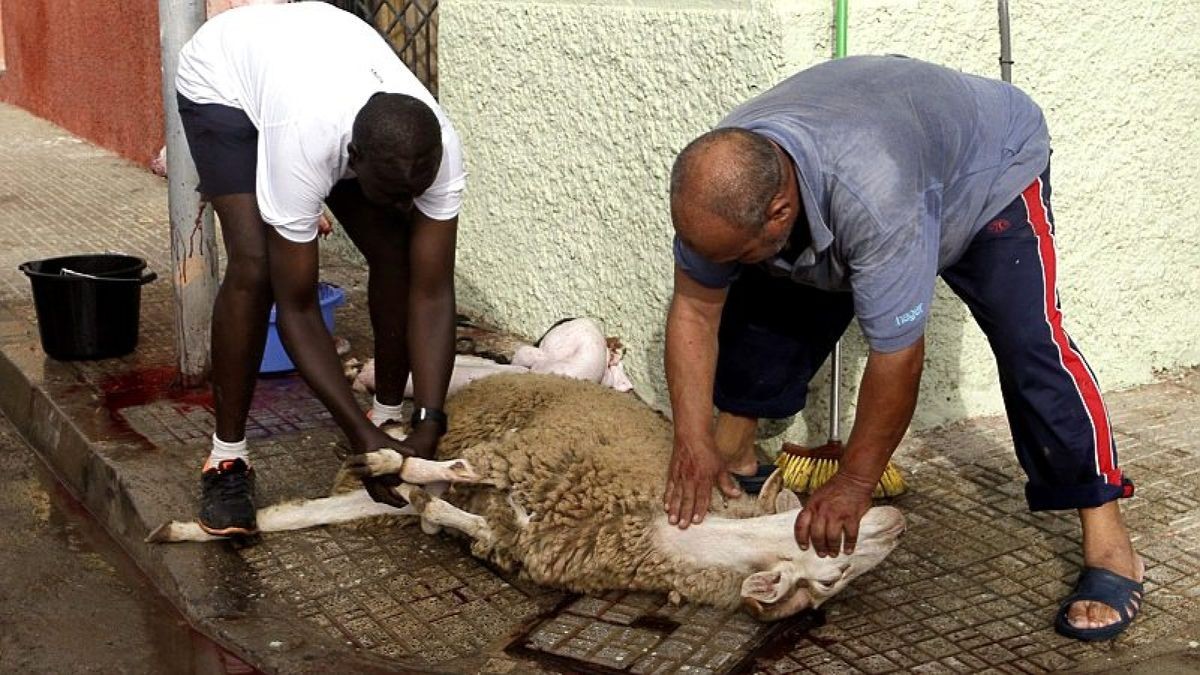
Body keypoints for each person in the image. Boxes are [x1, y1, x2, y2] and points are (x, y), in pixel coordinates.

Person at [663, 55, 1142, 641]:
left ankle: (1111, 545)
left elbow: (897, 354)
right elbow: (694, 307)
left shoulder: (873, 200)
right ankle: (733, 458)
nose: (718, 262)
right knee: (766, 293)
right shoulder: (723, 183)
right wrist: (691, 438)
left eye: (732, 250)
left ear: (780, 211)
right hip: (876, 159)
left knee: (1030, 345)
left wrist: (854, 484)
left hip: (987, 173)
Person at [174, 3, 464, 537]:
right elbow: (299, 308)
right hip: (225, 80)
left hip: (318, 57)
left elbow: (432, 293)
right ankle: (227, 459)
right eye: (393, 194)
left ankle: (388, 413)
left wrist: (429, 420)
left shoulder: (437, 150)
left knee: (400, 253)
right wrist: (356, 436)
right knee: (257, 266)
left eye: (414, 195)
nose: (406, 205)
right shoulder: (305, 140)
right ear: (351, 160)